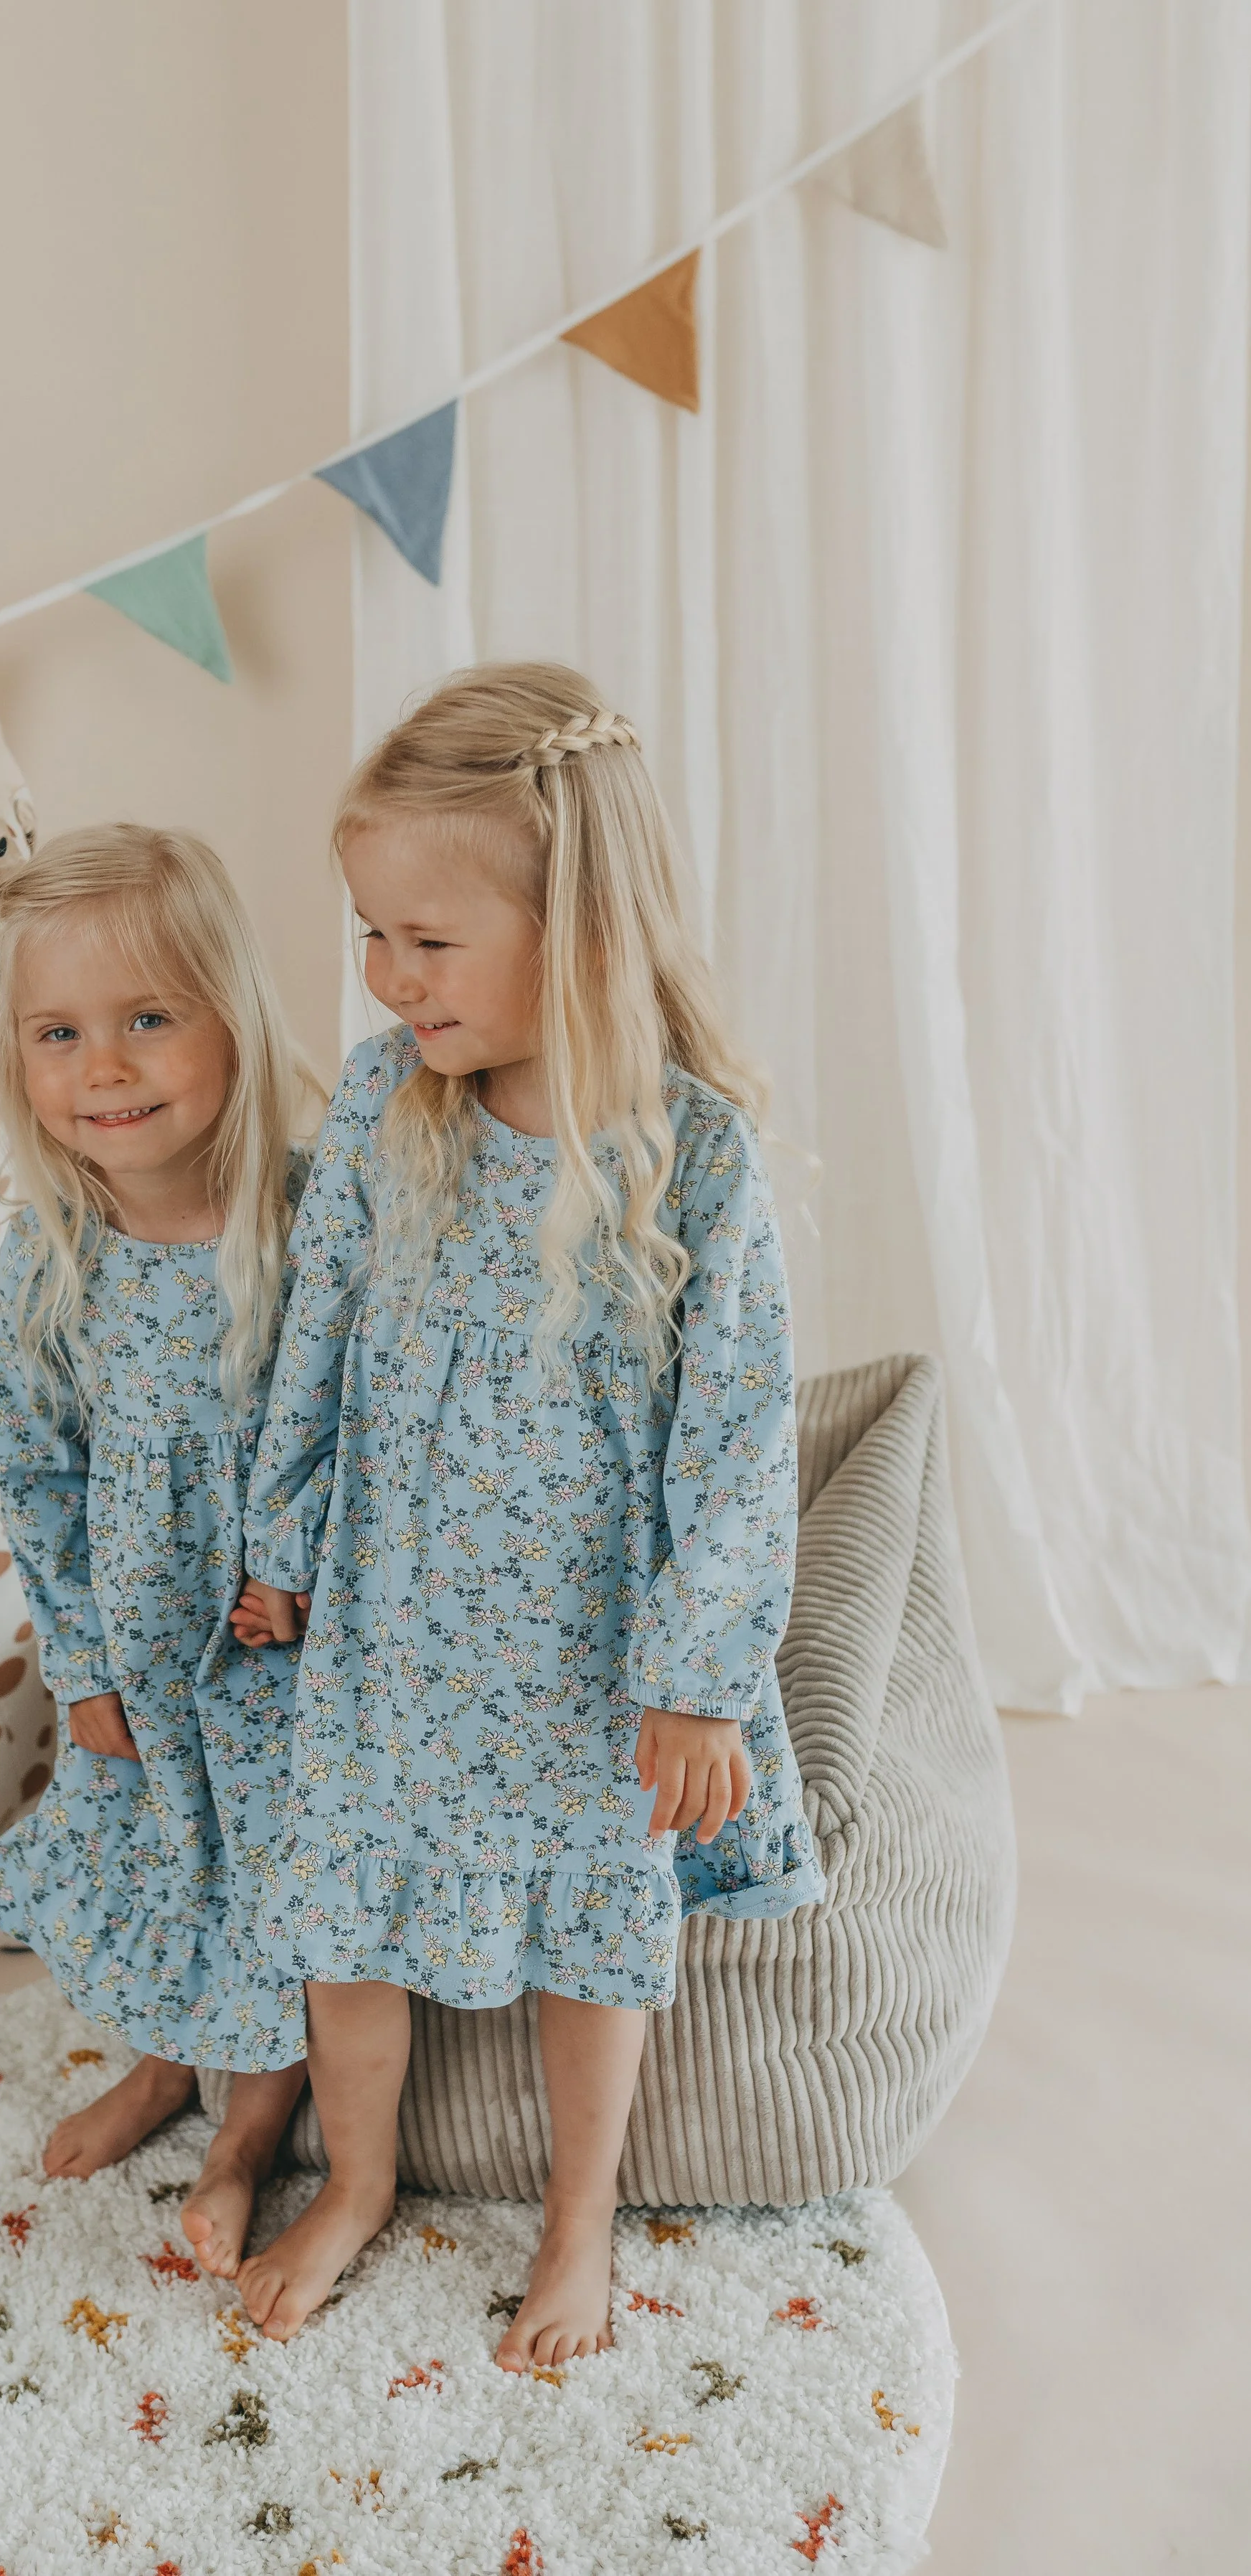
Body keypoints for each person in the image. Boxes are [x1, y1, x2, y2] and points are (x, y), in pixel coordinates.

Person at [229, 662, 823, 2364]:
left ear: (578, 931)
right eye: (370, 934)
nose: (387, 975)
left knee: (591, 1944)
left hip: (590, 1657)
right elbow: (313, 1340)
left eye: (428, 940)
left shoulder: (690, 1156)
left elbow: (737, 1439)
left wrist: (697, 1682)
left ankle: (577, 2224)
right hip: (389, 1629)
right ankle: (354, 2182)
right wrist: (280, 1548)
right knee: (343, 1923)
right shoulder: (381, 1105)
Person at [0, 822, 318, 2278]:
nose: (102, 1067)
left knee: (279, 1881)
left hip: (287, 1647)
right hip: (143, 1634)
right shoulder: (49, 1255)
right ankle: (166, 2064)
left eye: (148, 1019)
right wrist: (81, 1662)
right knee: (165, 1859)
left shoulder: (316, 1219)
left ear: (233, 1017)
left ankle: (250, 2134)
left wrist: (311, 1578)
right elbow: (36, 1473)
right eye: (58, 1033)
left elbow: (379, 1428)